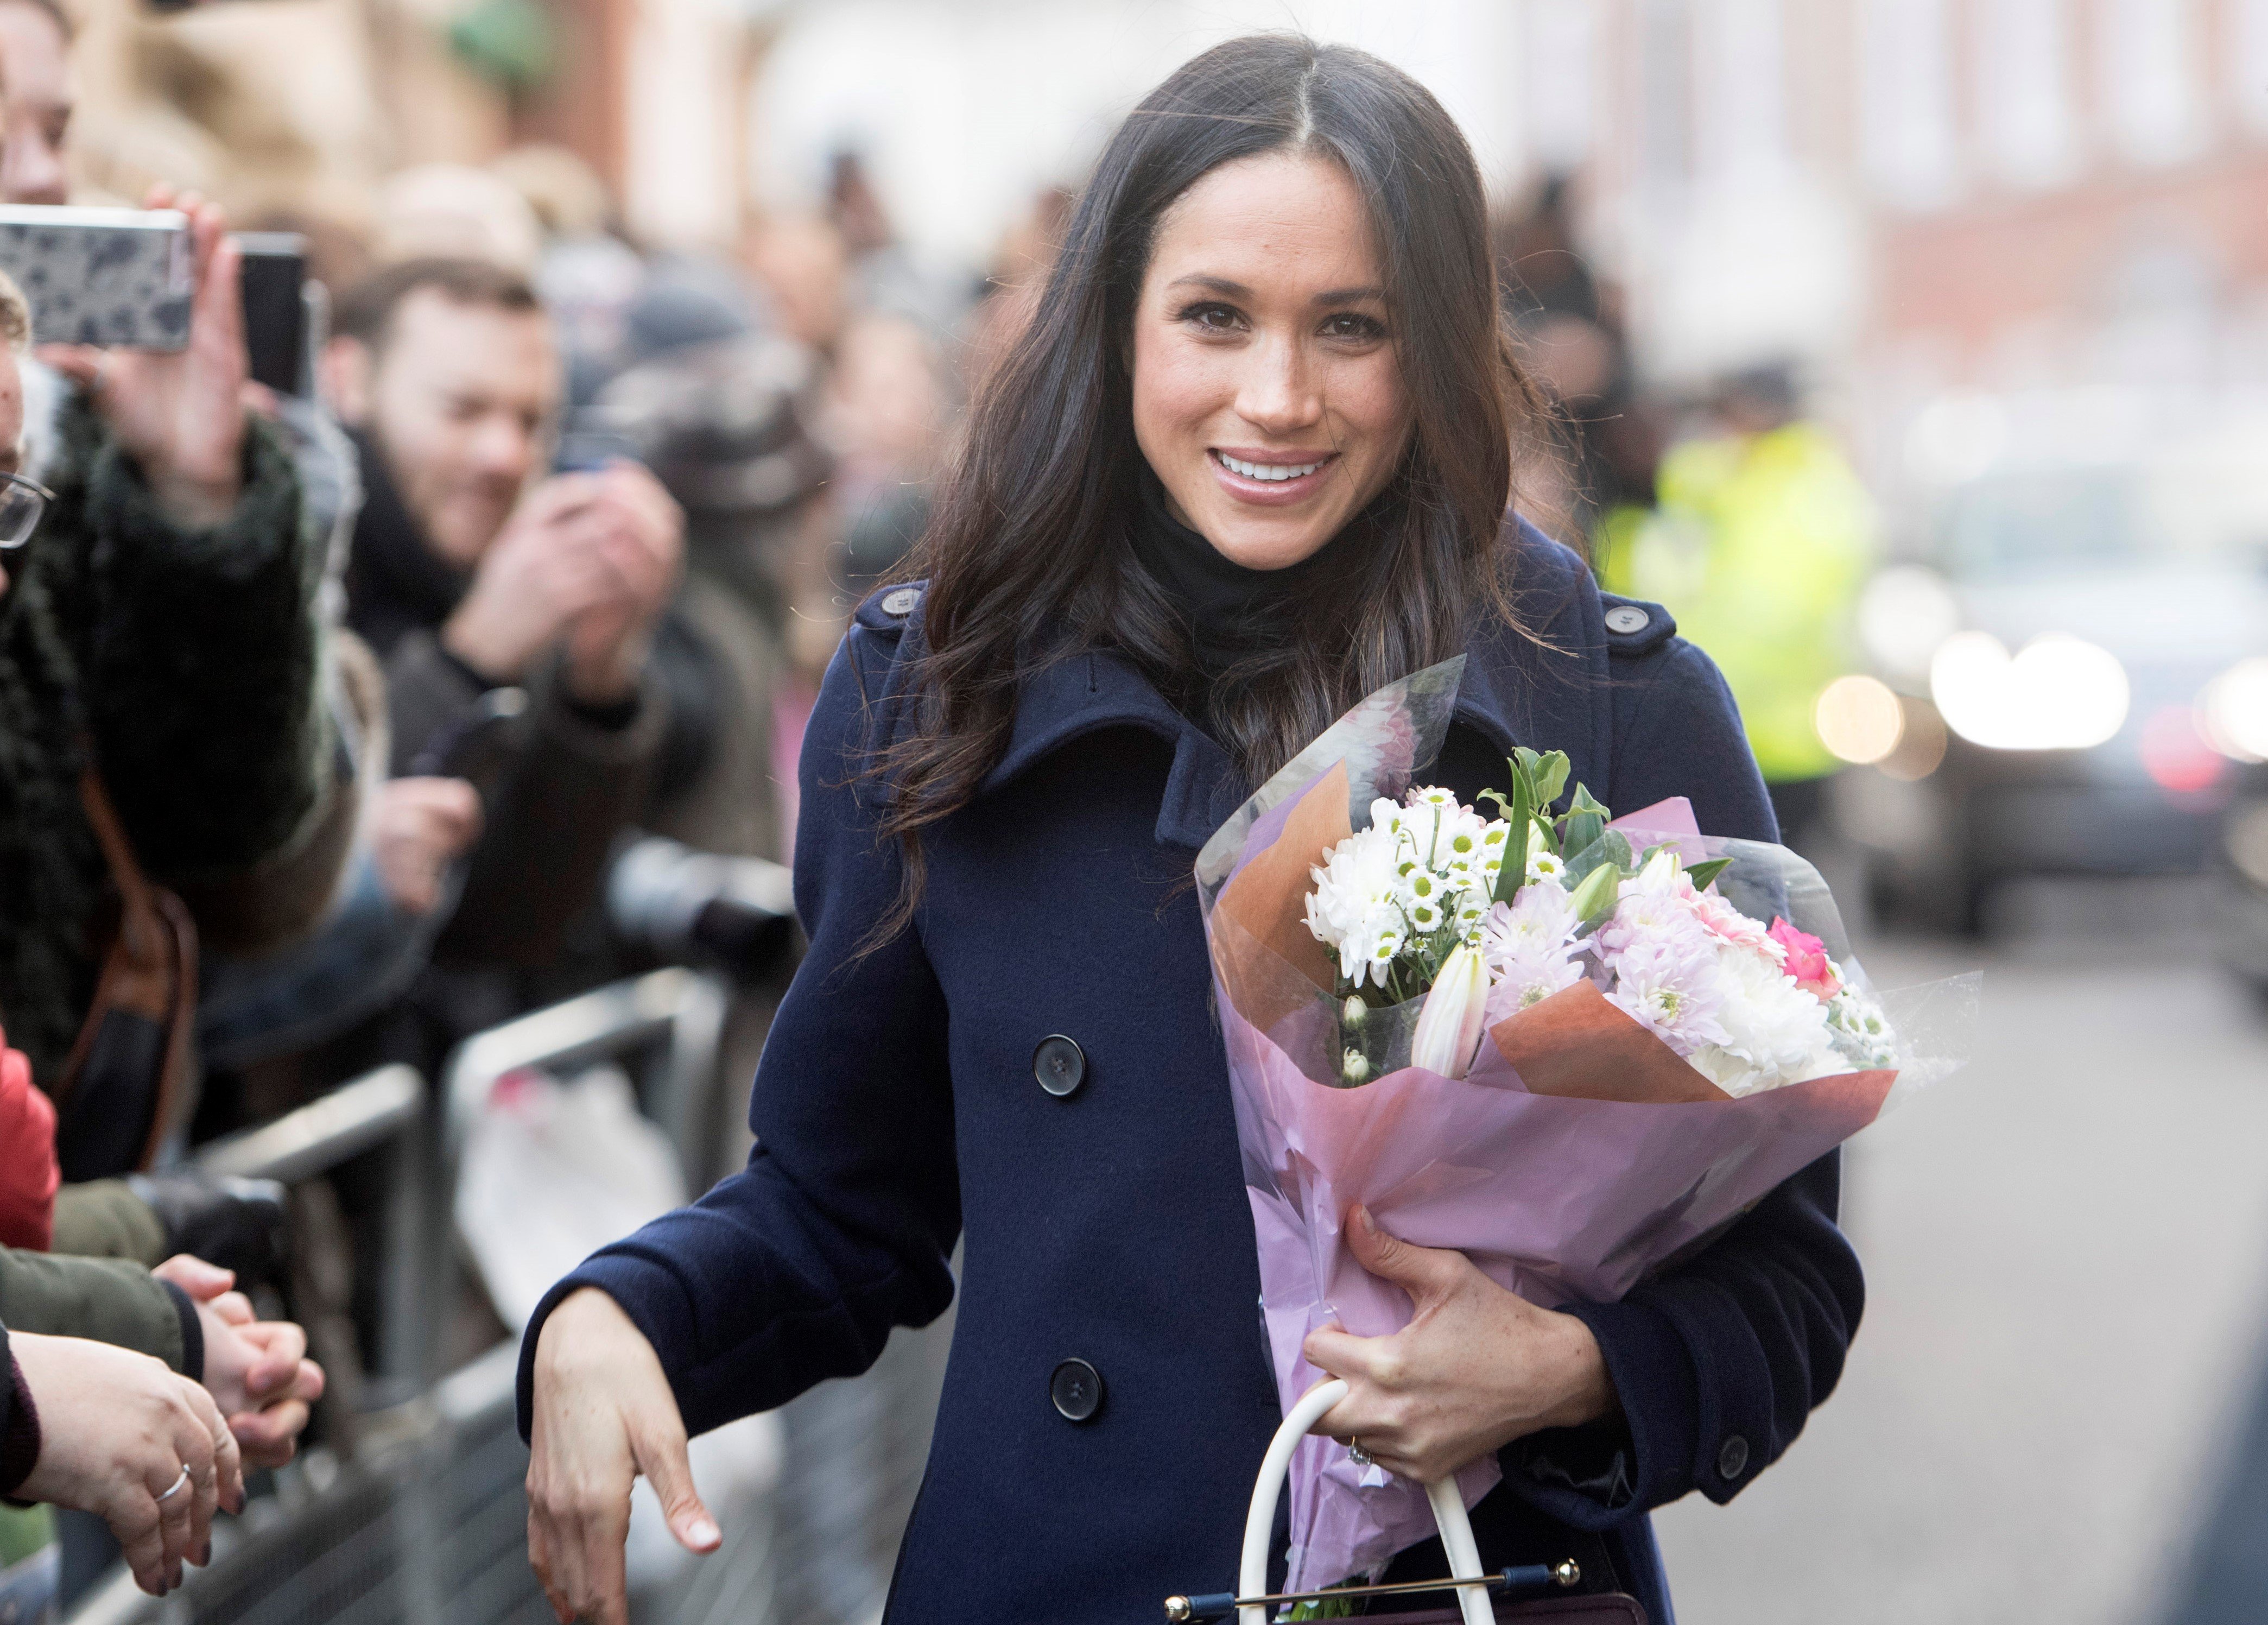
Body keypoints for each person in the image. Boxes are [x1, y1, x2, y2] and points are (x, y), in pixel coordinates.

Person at [520, 36, 1860, 1625]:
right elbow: (839, 1204)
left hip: (1465, 1589)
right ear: (1115, 327)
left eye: (1348, 327)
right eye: (1214, 315)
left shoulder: (1610, 701)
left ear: (1429, 352)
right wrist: (618, 1311)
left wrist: (1567, 1368)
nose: (1276, 396)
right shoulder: (937, 690)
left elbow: (1787, 1275)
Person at [320, 256, 683, 1046]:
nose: (503, 457)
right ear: (347, 379)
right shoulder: (290, 559)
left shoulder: (495, 570)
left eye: (530, 421)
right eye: (462, 409)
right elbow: (279, 879)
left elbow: (512, 923)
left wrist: (599, 682)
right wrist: (470, 659)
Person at [1601, 364, 1880, 852]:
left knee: (1757, 900)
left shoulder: (1776, 490)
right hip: (1781, 734)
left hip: (1761, 734)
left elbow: (1764, 620)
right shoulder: (1790, 483)